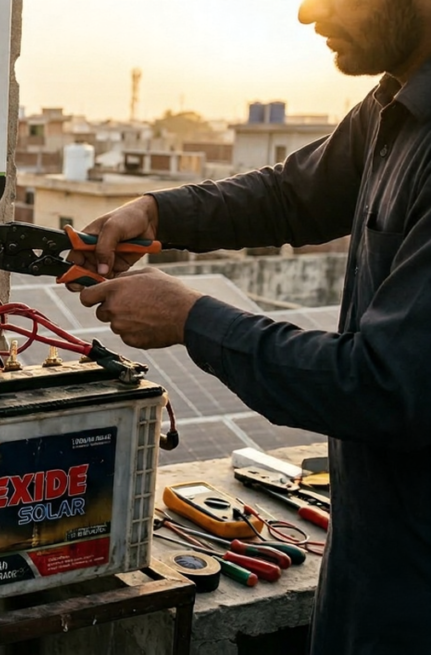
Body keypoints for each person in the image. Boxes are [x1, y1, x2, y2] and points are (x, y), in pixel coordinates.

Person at [68, 0, 431, 652]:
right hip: (367, 559)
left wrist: (189, 317)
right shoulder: (394, 105)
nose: (307, 12)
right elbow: (293, 195)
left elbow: (383, 383)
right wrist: (156, 211)